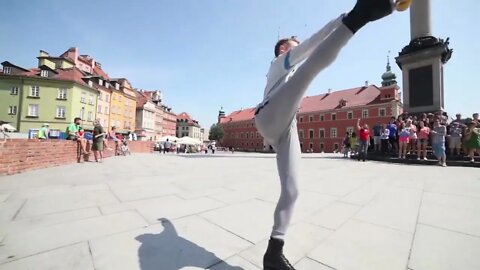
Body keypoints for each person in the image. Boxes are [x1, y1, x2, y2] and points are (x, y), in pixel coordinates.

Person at [253, 1, 396, 268]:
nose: (299, 45)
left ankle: (274, 251)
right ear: (283, 49)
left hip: (286, 124)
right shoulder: (278, 63)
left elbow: (310, 49)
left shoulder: (289, 72)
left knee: (293, 189)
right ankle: (359, 17)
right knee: (310, 70)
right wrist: (348, 18)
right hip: (269, 114)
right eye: (293, 43)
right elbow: (310, 46)